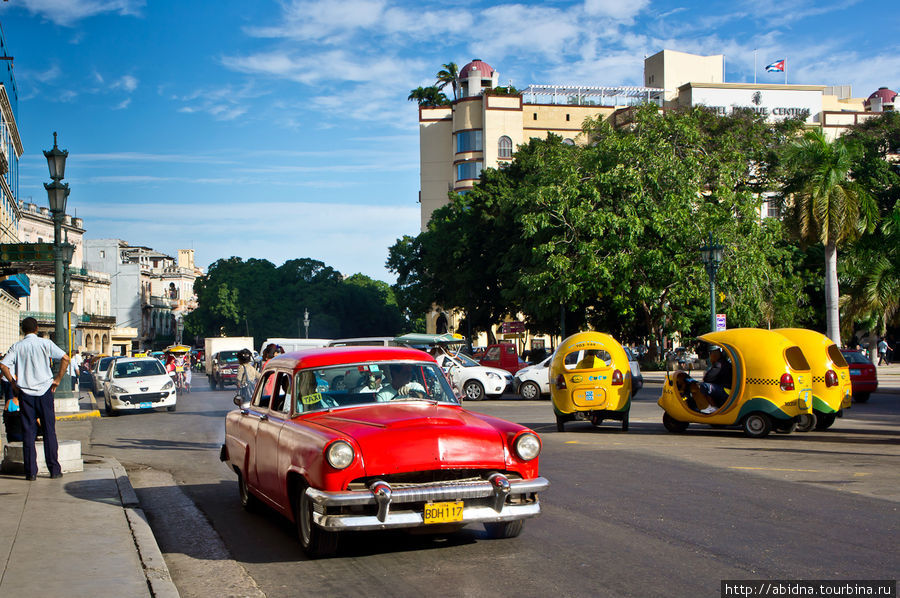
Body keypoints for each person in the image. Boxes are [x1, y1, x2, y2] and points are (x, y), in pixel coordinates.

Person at [0, 317, 69, 480]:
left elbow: (3, 365)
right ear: (37, 328)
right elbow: (65, 358)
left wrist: (13, 383)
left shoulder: (17, 346)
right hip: (45, 391)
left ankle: (30, 472)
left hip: (26, 394)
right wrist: (57, 379)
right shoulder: (44, 343)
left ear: (22, 330)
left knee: (28, 432)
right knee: (49, 431)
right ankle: (54, 469)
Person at [695, 346, 732, 413]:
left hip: (726, 390)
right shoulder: (724, 363)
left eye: (710, 354)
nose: (710, 357)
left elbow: (707, 378)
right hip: (727, 389)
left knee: (705, 386)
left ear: (715, 355)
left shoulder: (719, 364)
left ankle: (713, 407)